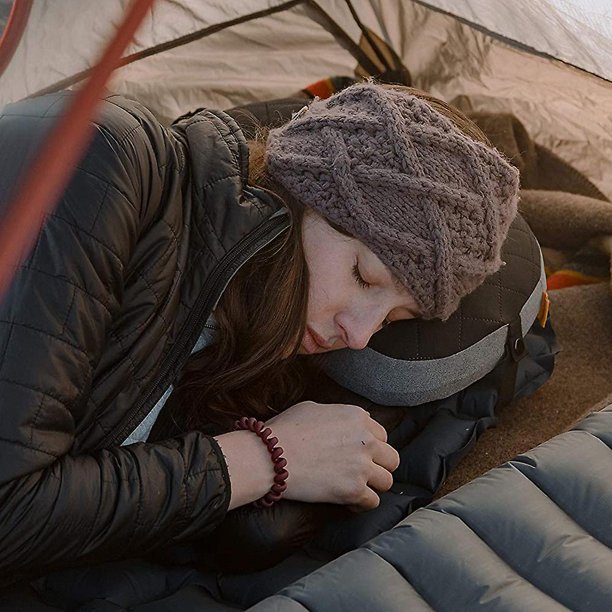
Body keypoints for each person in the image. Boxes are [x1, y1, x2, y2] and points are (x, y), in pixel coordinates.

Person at [0, 82, 519, 586]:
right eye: (364, 276)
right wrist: (265, 458)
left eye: (392, 320)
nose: (360, 335)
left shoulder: (246, 335)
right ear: (301, 191)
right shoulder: (106, 162)